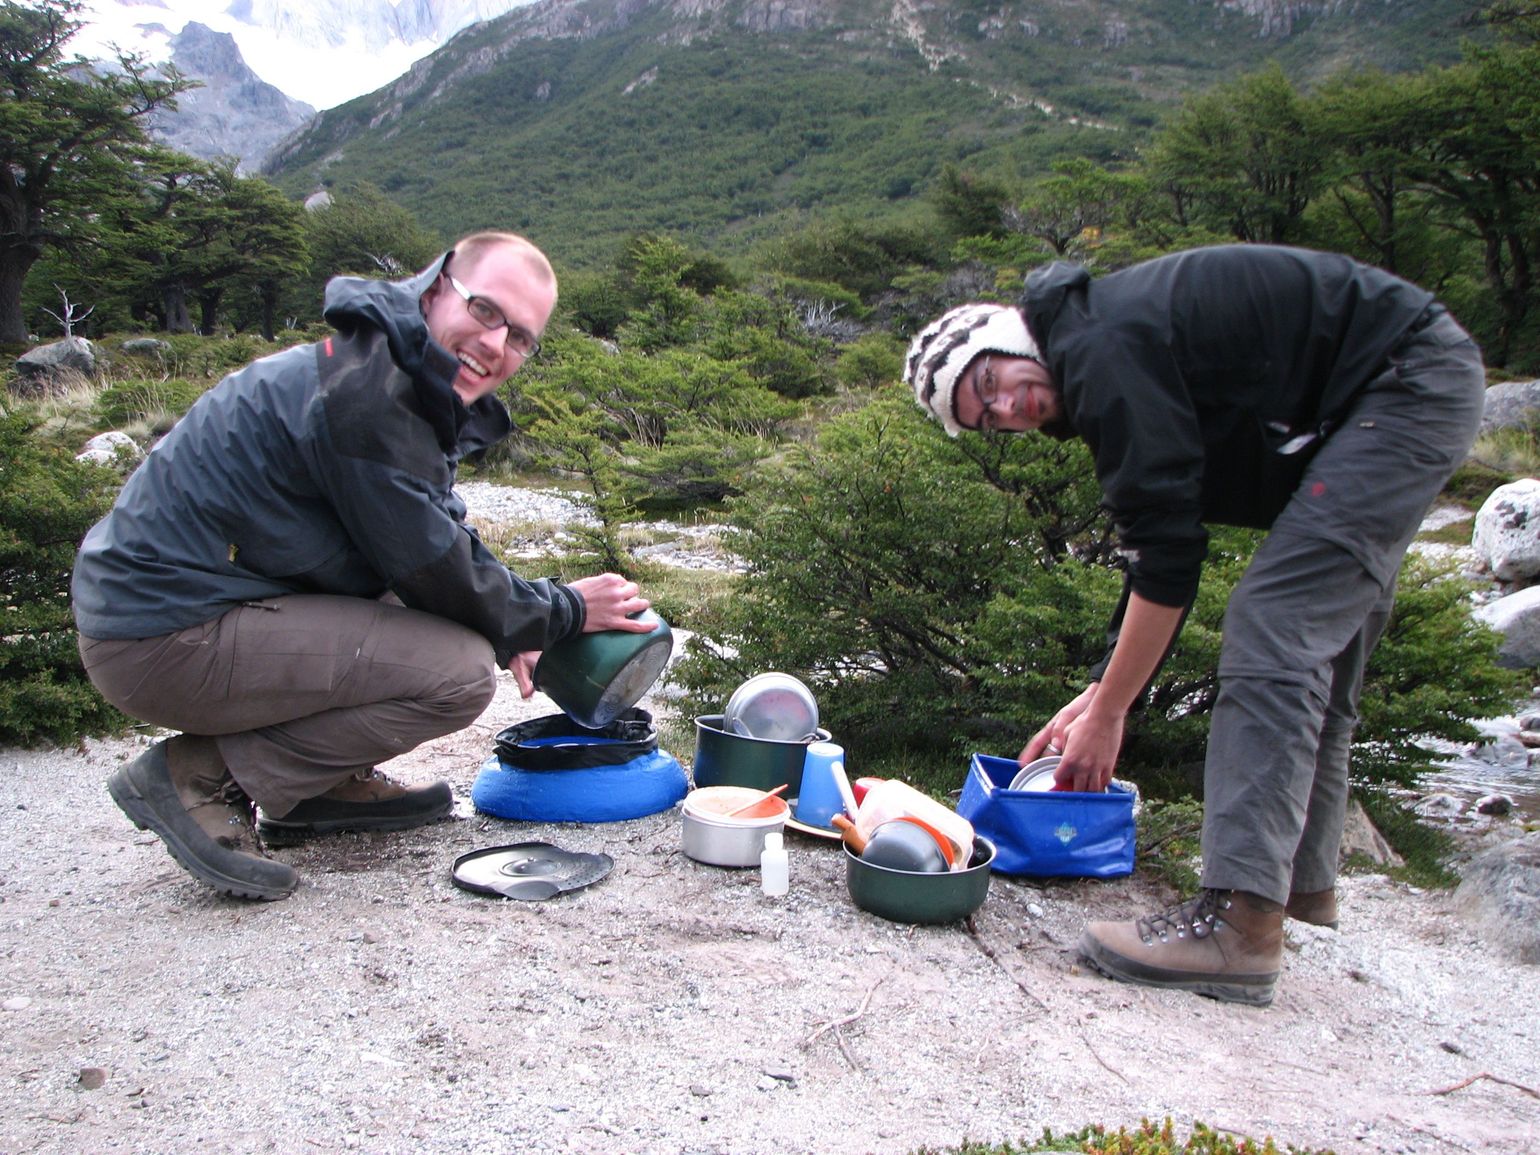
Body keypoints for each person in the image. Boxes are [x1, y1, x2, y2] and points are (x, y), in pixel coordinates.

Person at [905, 244, 1485, 1006]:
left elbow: (1171, 559)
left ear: (1007, 341)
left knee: (1273, 626)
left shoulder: (1097, 348)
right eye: (986, 418)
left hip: (1400, 383)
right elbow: (1159, 542)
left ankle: (1239, 924)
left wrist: (1113, 711)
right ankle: (1296, 884)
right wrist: (1099, 691)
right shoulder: (1096, 343)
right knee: (1316, 636)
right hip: (1390, 390)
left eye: (991, 383)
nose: (1008, 409)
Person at [72, 231, 657, 902]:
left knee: (434, 626)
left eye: (521, 336)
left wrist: (516, 625)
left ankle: (314, 788)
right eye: (487, 311)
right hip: (160, 633)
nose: (498, 345)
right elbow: (432, 562)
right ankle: (200, 776)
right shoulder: (370, 394)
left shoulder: (390, 368)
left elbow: (428, 528)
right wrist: (563, 613)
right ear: (437, 288)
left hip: (188, 606)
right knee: (457, 674)